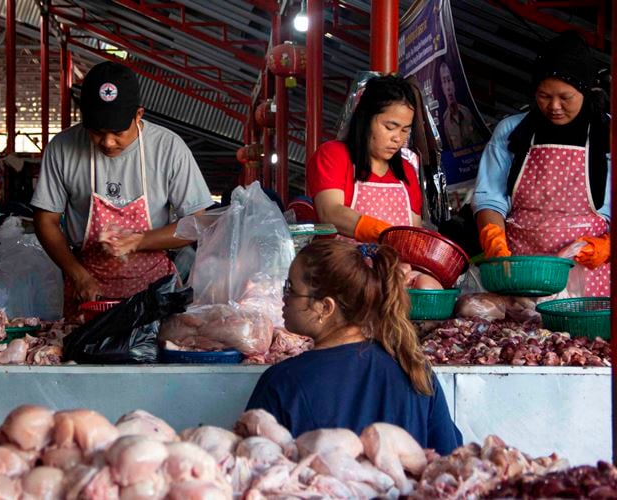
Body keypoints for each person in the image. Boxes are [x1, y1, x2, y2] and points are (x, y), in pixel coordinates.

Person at [246, 240, 461, 455]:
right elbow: (449, 461)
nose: (284, 298)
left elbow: (250, 467)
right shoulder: (414, 369)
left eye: (291, 288)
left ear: (325, 307)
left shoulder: (282, 382)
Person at [31, 62, 212, 315]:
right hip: (88, 285)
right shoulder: (62, 148)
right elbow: (45, 220)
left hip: (153, 290)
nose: (107, 142)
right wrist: (78, 275)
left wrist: (139, 241)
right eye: (96, 132)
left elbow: (198, 222)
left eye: (117, 132)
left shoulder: (169, 148)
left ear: (138, 115)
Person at [473, 31, 611, 296]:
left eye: (565, 97)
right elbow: (489, 197)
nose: (554, 106)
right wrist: (494, 242)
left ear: (584, 88)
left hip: (590, 276)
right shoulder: (512, 131)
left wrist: (607, 246)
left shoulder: (608, 133)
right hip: (522, 272)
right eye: (544, 96)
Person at [307, 75, 422, 243]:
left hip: (396, 267)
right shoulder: (334, 155)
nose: (398, 138)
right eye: (390, 127)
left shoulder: (406, 171)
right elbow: (329, 213)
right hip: (342, 266)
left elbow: (415, 229)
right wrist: (387, 234)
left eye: (405, 130)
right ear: (366, 118)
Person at [438, 61, 486, 150]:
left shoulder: (467, 112)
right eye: (444, 81)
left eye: (449, 80)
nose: (448, 87)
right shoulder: (445, 123)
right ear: (442, 88)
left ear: (453, 84)